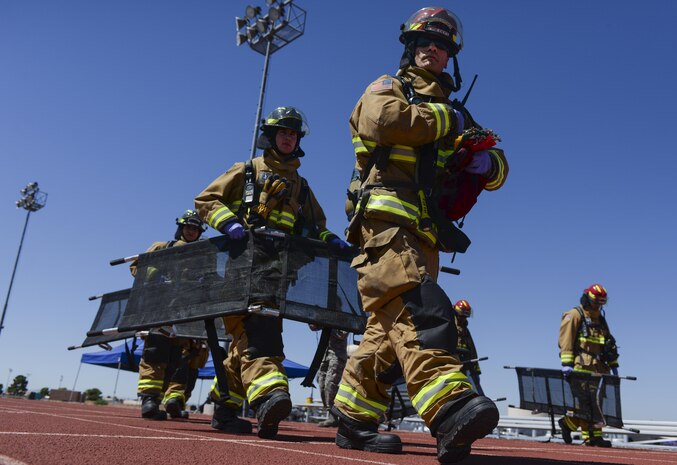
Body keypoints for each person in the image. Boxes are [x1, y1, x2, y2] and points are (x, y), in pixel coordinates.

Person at [334, 7, 508, 463]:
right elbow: (385, 121)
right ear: (411, 47)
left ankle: (353, 418)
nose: (435, 50)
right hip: (385, 222)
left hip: (427, 232)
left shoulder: (455, 109)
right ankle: (449, 408)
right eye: (427, 42)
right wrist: (449, 125)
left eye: (444, 46)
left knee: (385, 336)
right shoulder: (389, 88)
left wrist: (487, 164)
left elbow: (496, 160)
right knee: (419, 308)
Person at [195, 106, 346, 438]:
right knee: (260, 334)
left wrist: (330, 239)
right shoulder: (247, 171)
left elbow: (314, 226)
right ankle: (268, 398)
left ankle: (225, 410)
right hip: (241, 271)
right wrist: (230, 222)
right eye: (283, 132)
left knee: (243, 343)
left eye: (293, 134)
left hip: (279, 277)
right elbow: (206, 201)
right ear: (271, 136)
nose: (288, 138)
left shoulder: (301, 187)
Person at [132, 210, 210, 420]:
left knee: (181, 360)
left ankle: (173, 399)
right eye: (188, 227)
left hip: (188, 316)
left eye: (195, 229)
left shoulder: (203, 255)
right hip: (161, 311)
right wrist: (155, 276)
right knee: (156, 352)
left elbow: (214, 282)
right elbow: (137, 267)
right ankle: (150, 400)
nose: (192, 231)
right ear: (181, 228)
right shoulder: (161, 247)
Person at [558, 284, 619, 448]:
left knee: (597, 404)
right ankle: (588, 438)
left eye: (602, 302)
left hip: (599, 368)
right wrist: (567, 364)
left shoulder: (600, 318)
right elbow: (566, 340)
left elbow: (608, 344)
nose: (599, 305)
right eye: (596, 301)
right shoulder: (574, 315)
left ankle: (573, 426)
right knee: (585, 404)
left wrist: (614, 364)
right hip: (580, 367)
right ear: (588, 299)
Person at [309, 325, 348, 427]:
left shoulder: (344, 317)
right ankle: (332, 416)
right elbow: (313, 327)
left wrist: (329, 323)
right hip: (324, 354)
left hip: (337, 355)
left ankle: (337, 414)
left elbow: (342, 335)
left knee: (330, 385)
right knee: (321, 385)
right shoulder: (327, 314)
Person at [453, 300, 483, 396]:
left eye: (466, 316)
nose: (464, 319)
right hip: (454, 365)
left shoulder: (465, 330)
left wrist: (476, 371)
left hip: (466, 366)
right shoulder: (449, 325)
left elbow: (472, 350)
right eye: (462, 316)